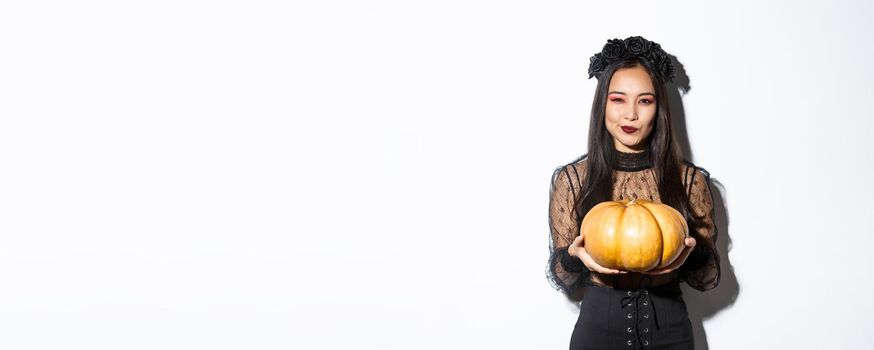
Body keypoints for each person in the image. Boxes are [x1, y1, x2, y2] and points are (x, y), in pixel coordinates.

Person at [546, 36, 720, 350]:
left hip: (672, 334)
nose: (631, 114)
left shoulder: (689, 180)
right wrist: (573, 257)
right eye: (618, 99)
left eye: (644, 100)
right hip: (597, 333)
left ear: (659, 108)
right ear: (603, 104)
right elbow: (563, 278)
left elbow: (707, 280)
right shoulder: (573, 179)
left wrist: (692, 252)